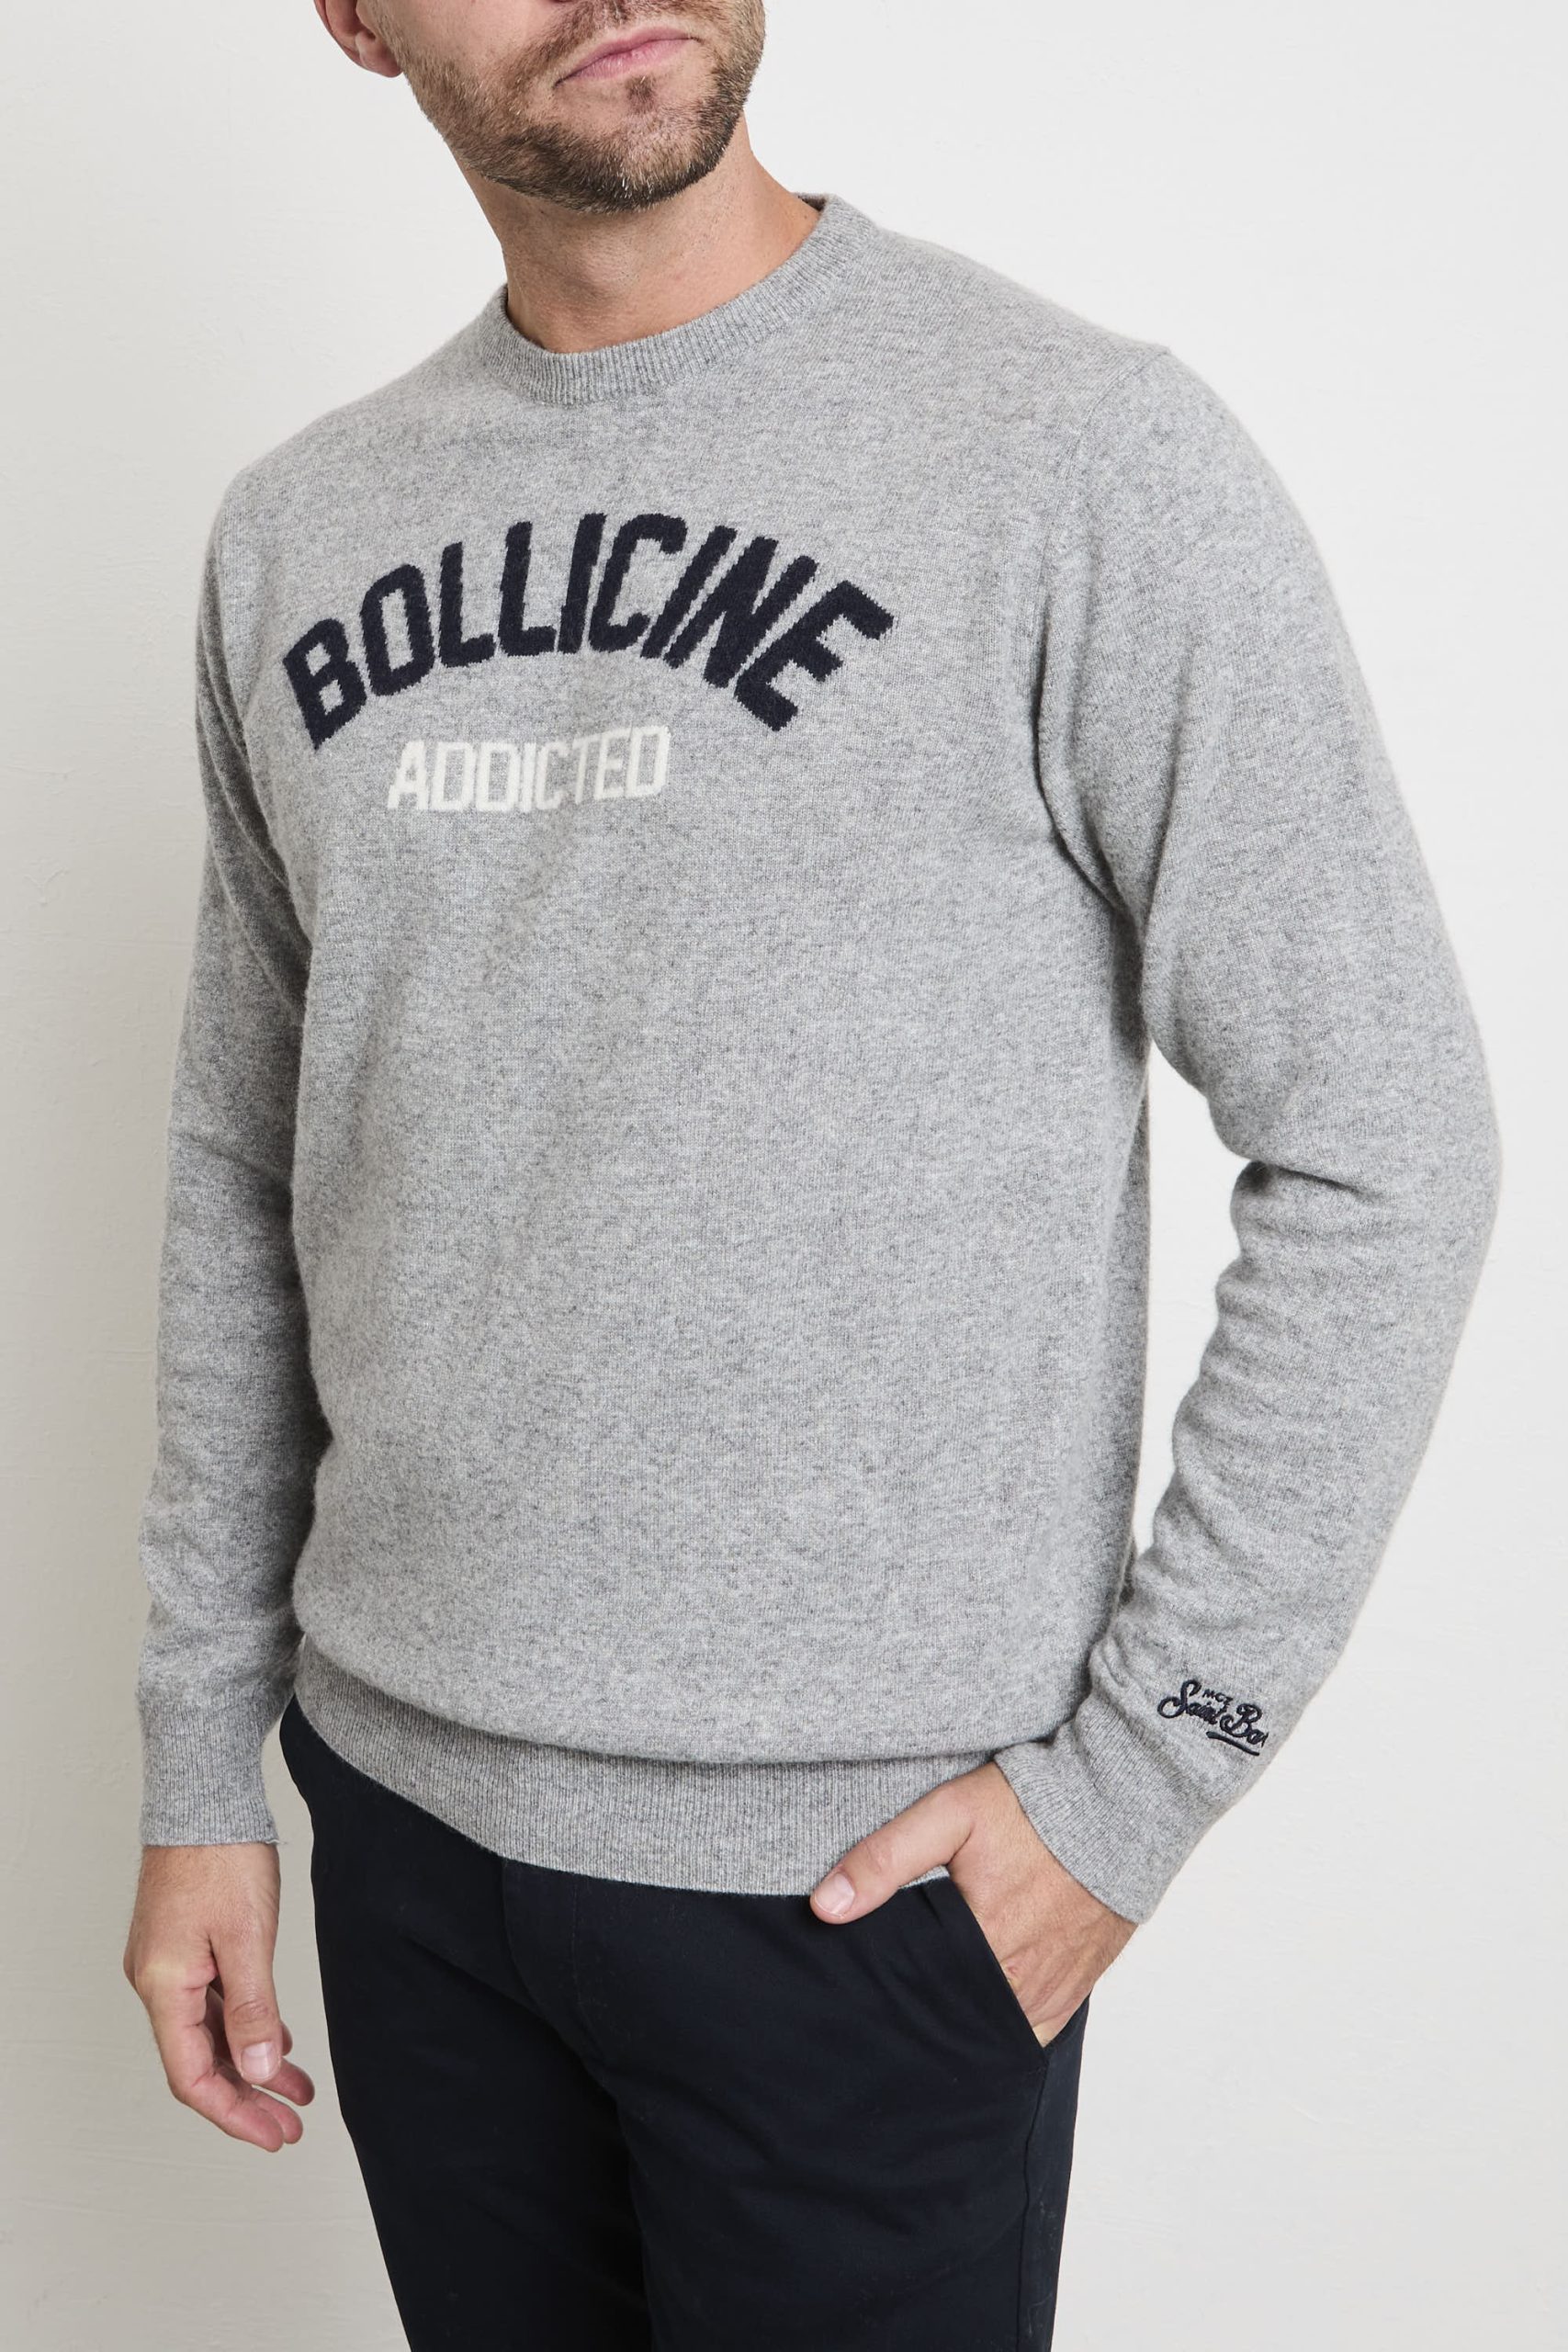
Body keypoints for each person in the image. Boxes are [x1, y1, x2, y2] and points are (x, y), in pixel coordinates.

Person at [119, 5, 1502, 2346]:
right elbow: (246, 1172)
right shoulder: (299, 531)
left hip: (861, 1893)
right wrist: (198, 1770)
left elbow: (1383, 1134)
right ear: (350, 13)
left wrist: (1135, 1788)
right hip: (407, 1835)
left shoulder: (1073, 453)